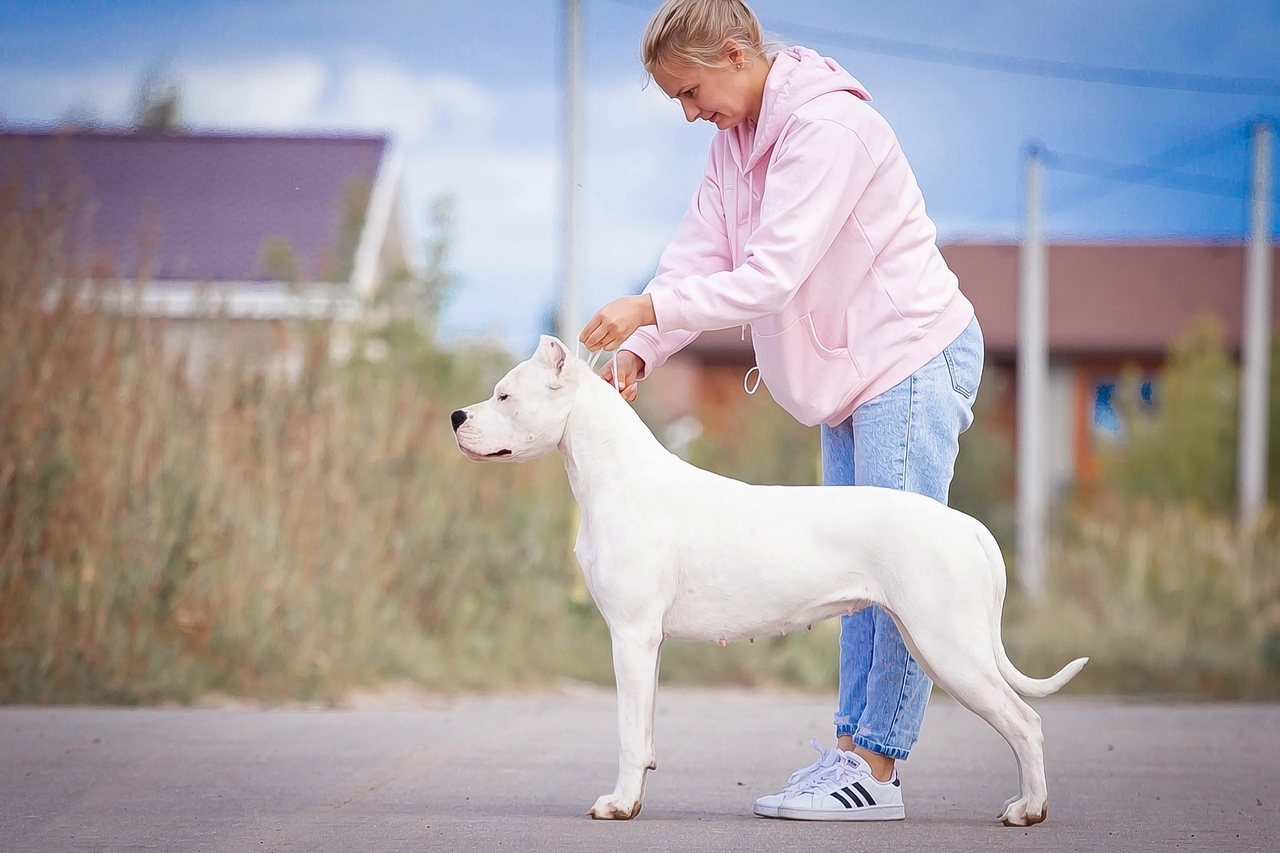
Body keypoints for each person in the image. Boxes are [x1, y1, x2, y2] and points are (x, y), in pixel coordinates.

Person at [578, 0, 984, 822]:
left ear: (735, 55)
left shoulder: (827, 130)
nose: (692, 114)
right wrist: (639, 351)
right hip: (847, 375)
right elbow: (700, 256)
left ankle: (875, 769)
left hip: (906, 357)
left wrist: (647, 309)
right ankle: (850, 752)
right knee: (852, 575)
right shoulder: (734, 146)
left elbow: (770, 277)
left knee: (896, 570)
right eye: (677, 102)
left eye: (692, 92)